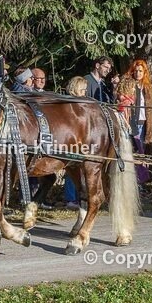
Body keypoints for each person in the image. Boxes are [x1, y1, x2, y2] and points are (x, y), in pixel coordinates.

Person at [118, 59, 152, 148]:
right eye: (136, 71)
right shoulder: (128, 84)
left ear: (144, 72)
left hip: (144, 123)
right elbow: (121, 99)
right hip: (130, 121)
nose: (138, 73)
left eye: (140, 71)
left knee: (142, 149)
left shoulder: (148, 87)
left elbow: (151, 108)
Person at [63, 76, 89, 209]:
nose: (85, 93)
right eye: (83, 90)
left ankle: (79, 198)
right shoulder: (71, 104)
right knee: (71, 171)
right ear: (76, 89)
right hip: (72, 142)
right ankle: (70, 198)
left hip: (79, 142)